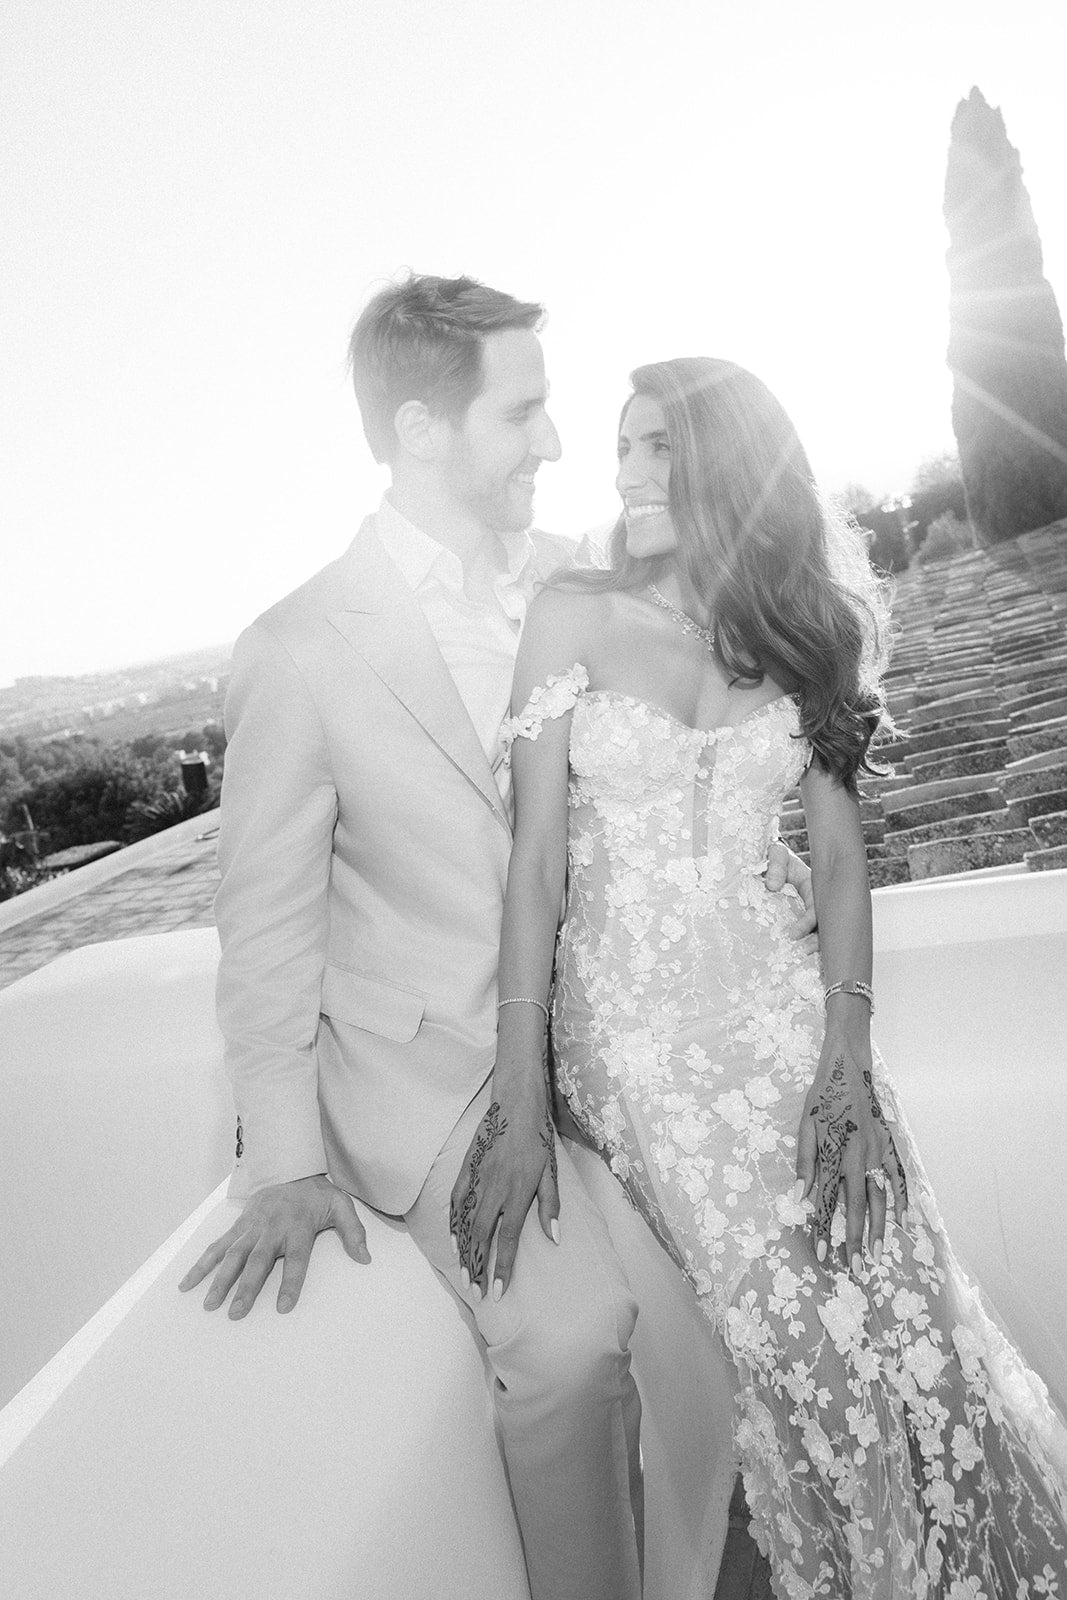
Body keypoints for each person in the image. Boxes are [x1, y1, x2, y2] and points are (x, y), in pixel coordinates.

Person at [177, 279, 815, 1600]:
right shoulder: (295, 652)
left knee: (782, 1273)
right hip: (444, 1069)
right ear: (421, 432)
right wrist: (282, 1158)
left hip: (612, 1035)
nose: (555, 443)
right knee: (575, 1340)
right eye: (521, 412)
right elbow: (267, 924)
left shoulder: (590, 578)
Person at [454, 356, 1067, 1596]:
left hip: (784, 1002)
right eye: (618, 447)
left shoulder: (802, 627)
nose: (619, 472)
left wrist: (846, 1059)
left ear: (721, 465)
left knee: (912, 1308)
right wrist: (518, 1090)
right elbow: (532, 872)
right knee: (803, 1342)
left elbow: (835, 859)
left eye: (649, 449)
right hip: (632, 1031)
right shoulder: (569, 611)